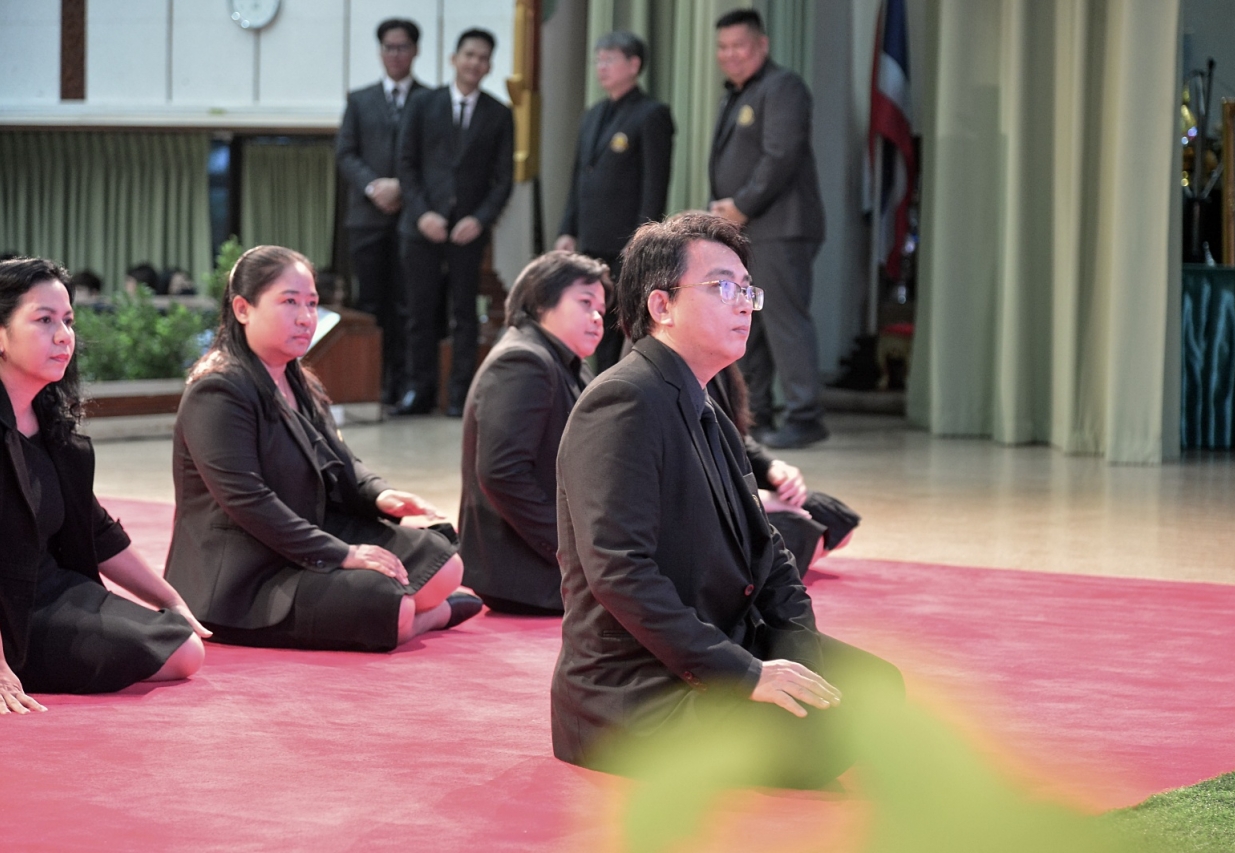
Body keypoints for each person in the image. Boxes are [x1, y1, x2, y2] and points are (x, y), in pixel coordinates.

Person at [551, 212, 902, 788]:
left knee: (876, 689)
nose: (744, 305)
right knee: (831, 731)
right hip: (635, 689)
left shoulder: (703, 400)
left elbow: (768, 549)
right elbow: (620, 572)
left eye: (747, 290)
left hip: (723, 645)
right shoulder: (622, 402)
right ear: (661, 306)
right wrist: (744, 673)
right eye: (722, 287)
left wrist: (799, 649)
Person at [164, 246, 481, 652]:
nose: (305, 317)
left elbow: (340, 458)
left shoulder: (298, 379)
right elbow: (247, 501)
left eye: (312, 304)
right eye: (289, 302)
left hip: (307, 534)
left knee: (445, 564)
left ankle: (410, 611)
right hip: (246, 573)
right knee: (392, 605)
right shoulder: (218, 390)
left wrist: (380, 493)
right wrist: (340, 554)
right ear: (243, 309)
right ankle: (431, 616)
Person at [0, 257, 206, 714]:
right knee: (179, 652)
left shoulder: (48, 421)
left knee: (182, 642)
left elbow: (95, 527)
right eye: (44, 320)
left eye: (68, 321)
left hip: (52, 590)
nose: (63, 335)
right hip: (10, 612)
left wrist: (171, 599)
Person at [459, 251, 610, 616]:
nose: (597, 318)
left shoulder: (566, 362)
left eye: (601, 310)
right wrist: (571, 551)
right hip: (525, 574)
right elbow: (501, 474)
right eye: (585, 303)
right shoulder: (524, 360)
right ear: (543, 301)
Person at [709, 9, 828, 449]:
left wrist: (741, 206)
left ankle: (805, 415)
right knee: (749, 324)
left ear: (762, 45)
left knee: (783, 322)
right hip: (746, 230)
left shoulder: (783, 87)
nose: (730, 55)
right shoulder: (737, 94)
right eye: (723, 47)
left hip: (780, 226)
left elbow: (781, 155)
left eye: (739, 46)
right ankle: (753, 415)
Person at [396, 28, 514, 417]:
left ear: (489, 66)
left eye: (483, 58)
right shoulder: (422, 103)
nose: (475, 63)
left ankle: (460, 394)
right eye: (469, 55)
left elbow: (502, 180)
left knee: (465, 313)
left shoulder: (499, 114)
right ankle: (419, 391)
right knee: (419, 312)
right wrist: (422, 213)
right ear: (454, 59)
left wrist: (479, 220)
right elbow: (406, 165)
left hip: (468, 232)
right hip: (422, 227)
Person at [554, 31, 674, 372]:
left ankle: (616, 388)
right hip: (591, 240)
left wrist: (642, 238)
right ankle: (592, 386)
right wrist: (567, 229)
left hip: (625, 243)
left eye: (609, 60)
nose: (601, 67)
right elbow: (578, 177)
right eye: (598, 60)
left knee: (619, 323)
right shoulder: (593, 114)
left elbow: (655, 184)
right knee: (590, 318)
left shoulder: (651, 114)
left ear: (634, 65)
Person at [336, 18, 427, 406]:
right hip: (367, 218)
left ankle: (406, 387)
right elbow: (346, 154)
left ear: (415, 51)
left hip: (412, 218)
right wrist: (375, 187)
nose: (395, 54)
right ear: (380, 51)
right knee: (370, 305)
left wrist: (402, 188)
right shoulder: (359, 100)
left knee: (409, 305)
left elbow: (433, 158)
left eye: (402, 47)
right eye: (389, 47)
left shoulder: (429, 99)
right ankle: (372, 385)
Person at [708, 365, 860, 577]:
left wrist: (772, 467)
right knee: (803, 532)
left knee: (831, 520)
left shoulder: (718, 372)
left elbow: (734, 440)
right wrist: (755, 499)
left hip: (732, 493)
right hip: (702, 512)